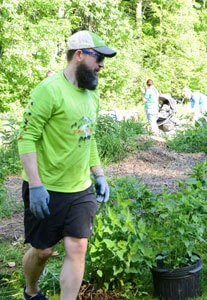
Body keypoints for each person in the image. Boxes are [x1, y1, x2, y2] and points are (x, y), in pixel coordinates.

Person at [17, 30, 115, 300]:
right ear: (79, 55)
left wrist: (99, 174)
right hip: (46, 187)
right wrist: (36, 185)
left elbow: (88, 136)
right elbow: (26, 139)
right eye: (99, 57)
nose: (102, 65)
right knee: (43, 251)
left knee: (77, 248)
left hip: (80, 188)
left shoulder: (91, 95)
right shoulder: (49, 90)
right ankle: (31, 290)